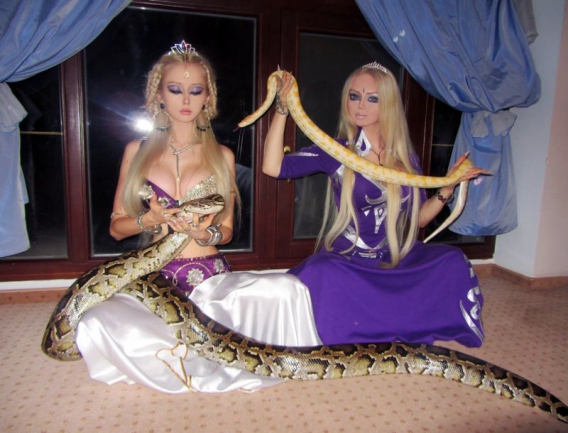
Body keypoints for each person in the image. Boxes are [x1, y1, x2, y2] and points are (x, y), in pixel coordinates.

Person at [74, 41, 321, 393]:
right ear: (159, 95)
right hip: (154, 282)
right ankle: (190, 354)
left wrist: (206, 234)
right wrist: (149, 220)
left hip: (210, 279)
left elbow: (227, 231)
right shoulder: (136, 152)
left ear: (208, 97)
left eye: (196, 91)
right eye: (175, 90)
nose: (186, 100)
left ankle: (206, 351)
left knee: (288, 289)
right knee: (96, 320)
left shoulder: (222, 155)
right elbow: (116, 228)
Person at [263, 62, 489, 348]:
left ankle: (385, 315)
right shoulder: (337, 151)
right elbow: (273, 167)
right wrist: (283, 109)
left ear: (388, 104)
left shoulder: (405, 158)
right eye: (354, 96)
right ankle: (378, 319)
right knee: (322, 273)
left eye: (372, 98)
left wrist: (448, 188)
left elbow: (419, 219)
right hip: (348, 261)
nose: (360, 105)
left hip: (394, 257)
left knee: (452, 260)